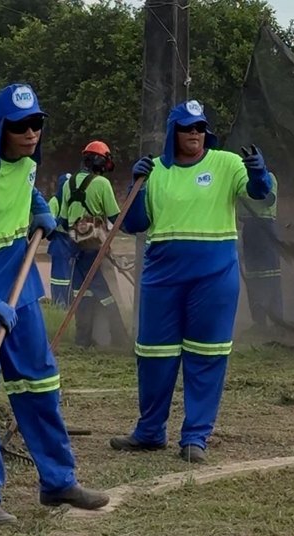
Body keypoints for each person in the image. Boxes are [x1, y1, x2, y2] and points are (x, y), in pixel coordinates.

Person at [0, 83, 108, 524]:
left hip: (20, 276)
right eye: (20, 126)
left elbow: (25, 190)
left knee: (40, 381)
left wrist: (41, 210)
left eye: (36, 122)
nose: (31, 132)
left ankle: (58, 482)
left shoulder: (28, 159)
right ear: (1, 128)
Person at [109, 99, 273, 463]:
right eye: (187, 128)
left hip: (214, 278)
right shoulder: (155, 171)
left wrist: (261, 174)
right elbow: (135, 224)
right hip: (161, 277)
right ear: (173, 133)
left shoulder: (227, 164)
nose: (195, 134)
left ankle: (195, 436)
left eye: (200, 127)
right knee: (153, 355)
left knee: (207, 355)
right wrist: (135, 185)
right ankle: (149, 431)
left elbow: (261, 195)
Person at [56, 140, 129, 348]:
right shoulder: (101, 184)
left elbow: (62, 220)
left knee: (82, 293)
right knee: (107, 293)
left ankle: (83, 339)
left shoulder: (68, 185)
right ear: (99, 161)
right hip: (96, 248)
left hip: (75, 248)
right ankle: (119, 338)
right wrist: (135, 230)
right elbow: (116, 217)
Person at [237, 171, 282, 328]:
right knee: (253, 275)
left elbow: (268, 200)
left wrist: (253, 190)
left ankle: (277, 320)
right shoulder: (241, 179)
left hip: (265, 227)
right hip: (249, 229)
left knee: (270, 275)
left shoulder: (268, 177)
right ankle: (259, 321)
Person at [47, 172, 73, 308]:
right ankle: (58, 302)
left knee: (71, 275)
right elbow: (49, 222)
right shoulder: (55, 201)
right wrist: (61, 223)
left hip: (72, 241)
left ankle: (70, 302)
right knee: (59, 276)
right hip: (59, 241)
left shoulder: (73, 201)